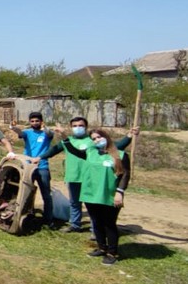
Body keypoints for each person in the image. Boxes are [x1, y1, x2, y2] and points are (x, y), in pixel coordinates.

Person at [44, 129, 130, 265]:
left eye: (99, 137)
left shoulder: (120, 154)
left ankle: (112, 253)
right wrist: (64, 137)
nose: (97, 140)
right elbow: (73, 150)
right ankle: (102, 247)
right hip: (90, 194)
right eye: (94, 139)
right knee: (96, 222)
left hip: (109, 195)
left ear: (106, 137)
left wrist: (120, 192)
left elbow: (125, 174)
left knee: (109, 224)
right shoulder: (90, 153)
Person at [39, 118, 134, 233]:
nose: (78, 128)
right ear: (71, 127)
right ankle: (75, 225)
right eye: (75, 125)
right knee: (74, 203)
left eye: (81, 125)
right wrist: (39, 158)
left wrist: (129, 135)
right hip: (73, 176)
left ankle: (95, 229)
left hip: (90, 178)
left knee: (94, 204)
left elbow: (118, 146)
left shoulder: (93, 140)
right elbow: (53, 151)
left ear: (86, 126)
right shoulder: (68, 141)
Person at [9, 112, 56, 228]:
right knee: (26, 192)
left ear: (41, 121)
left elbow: (50, 134)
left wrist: (45, 127)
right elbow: (20, 133)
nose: (35, 123)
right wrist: (13, 127)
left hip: (42, 167)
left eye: (37, 121)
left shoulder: (46, 133)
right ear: (30, 122)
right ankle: (27, 214)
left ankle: (48, 219)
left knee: (46, 194)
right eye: (32, 121)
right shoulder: (28, 132)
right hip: (28, 167)